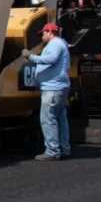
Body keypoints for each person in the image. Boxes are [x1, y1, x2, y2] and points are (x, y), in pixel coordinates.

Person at [21, 22, 70, 161]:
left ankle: (52, 151)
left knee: (48, 119)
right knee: (60, 119)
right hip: (58, 87)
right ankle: (63, 148)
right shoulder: (61, 44)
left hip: (52, 88)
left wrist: (30, 57)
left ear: (50, 32)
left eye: (43, 33)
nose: (41, 36)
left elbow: (51, 59)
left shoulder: (55, 44)